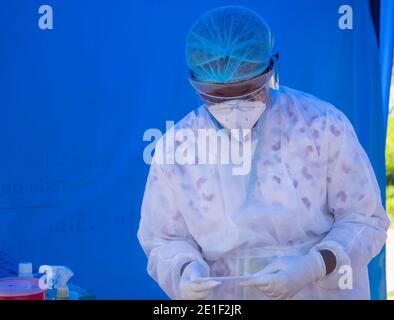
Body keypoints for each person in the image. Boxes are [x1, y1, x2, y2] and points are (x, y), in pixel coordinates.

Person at [137, 6, 389, 300]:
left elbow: (365, 220)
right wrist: (184, 268)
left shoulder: (321, 126)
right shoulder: (178, 148)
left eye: (248, 91)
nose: (234, 106)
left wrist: (314, 265)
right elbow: (163, 239)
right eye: (217, 96)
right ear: (195, 84)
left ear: (271, 70)